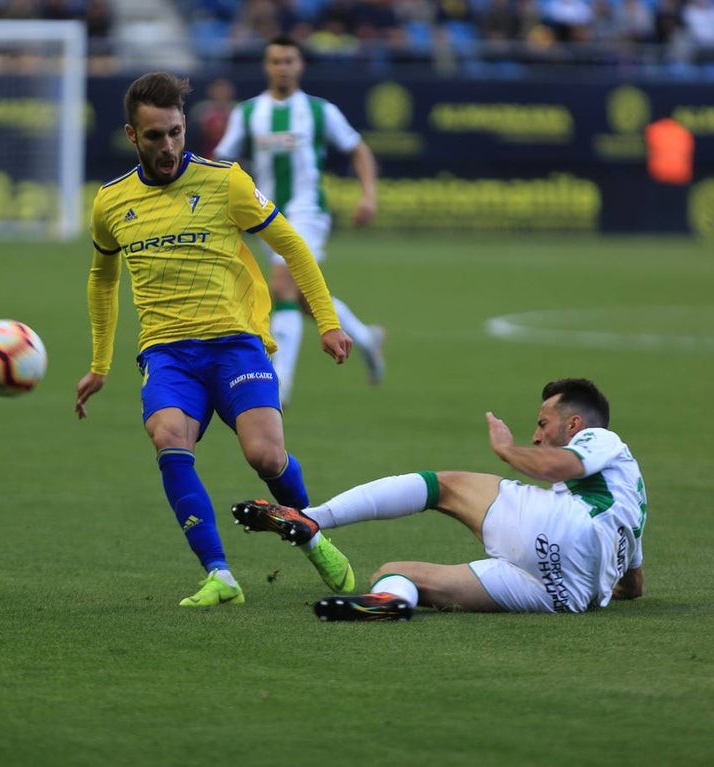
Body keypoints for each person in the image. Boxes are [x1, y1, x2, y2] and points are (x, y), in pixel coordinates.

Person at [75, 72, 356, 607]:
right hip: (167, 353)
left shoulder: (225, 181)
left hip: (234, 344)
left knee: (266, 457)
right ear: (132, 136)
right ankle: (219, 575)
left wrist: (327, 321)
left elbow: (293, 247)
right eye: (155, 135)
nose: (168, 146)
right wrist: (99, 363)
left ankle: (313, 535)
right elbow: (101, 278)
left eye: (176, 132)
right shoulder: (110, 203)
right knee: (168, 438)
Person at [232, 378, 647, 620]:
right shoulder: (631, 502)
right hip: (564, 595)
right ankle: (392, 601)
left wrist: (507, 451)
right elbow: (634, 583)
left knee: (443, 486)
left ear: (574, 423)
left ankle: (311, 518)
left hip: (563, 530)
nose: (536, 435)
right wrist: (607, 586)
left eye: (542, 423)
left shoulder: (601, 438)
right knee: (395, 572)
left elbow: (560, 466)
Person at [212, 34, 385, 409]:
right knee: (306, 298)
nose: (283, 67)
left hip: (309, 212)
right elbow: (222, 161)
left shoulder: (320, 111)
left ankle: (280, 384)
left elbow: (358, 149)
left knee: (283, 288)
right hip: (266, 213)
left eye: (289, 60)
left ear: (300, 65)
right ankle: (366, 339)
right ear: (266, 66)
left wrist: (368, 194)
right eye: (276, 61)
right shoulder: (248, 113)